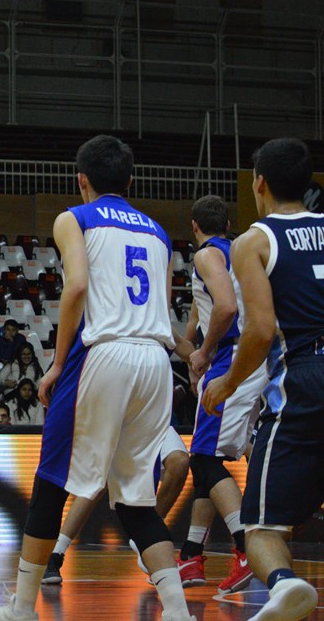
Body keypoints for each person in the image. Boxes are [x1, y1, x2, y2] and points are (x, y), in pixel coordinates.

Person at [0, 135, 194, 621]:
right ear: (130, 180)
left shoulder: (74, 217)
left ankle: (22, 609)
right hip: (157, 362)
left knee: (52, 482)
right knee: (136, 498)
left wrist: (55, 363)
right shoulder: (158, 232)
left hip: (105, 355)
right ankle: (179, 614)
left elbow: (75, 286)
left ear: (82, 181)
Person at [203, 138, 324, 621]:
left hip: (303, 378)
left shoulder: (254, 240)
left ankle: (285, 583)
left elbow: (258, 330)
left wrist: (228, 384)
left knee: (261, 528)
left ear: (259, 184)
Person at [175, 194, 268, 593]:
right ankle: (191, 555)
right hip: (256, 357)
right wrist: (196, 350)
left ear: (194, 226)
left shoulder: (206, 256)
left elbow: (226, 309)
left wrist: (205, 352)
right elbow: (204, 314)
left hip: (232, 359)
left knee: (205, 460)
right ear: (228, 222)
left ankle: (247, 548)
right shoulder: (241, 251)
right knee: (207, 465)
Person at [42, 427, 191, 585]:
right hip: (114, 416)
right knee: (97, 482)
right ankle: (56, 553)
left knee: (179, 463)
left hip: (152, 416)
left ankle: (147, 540)